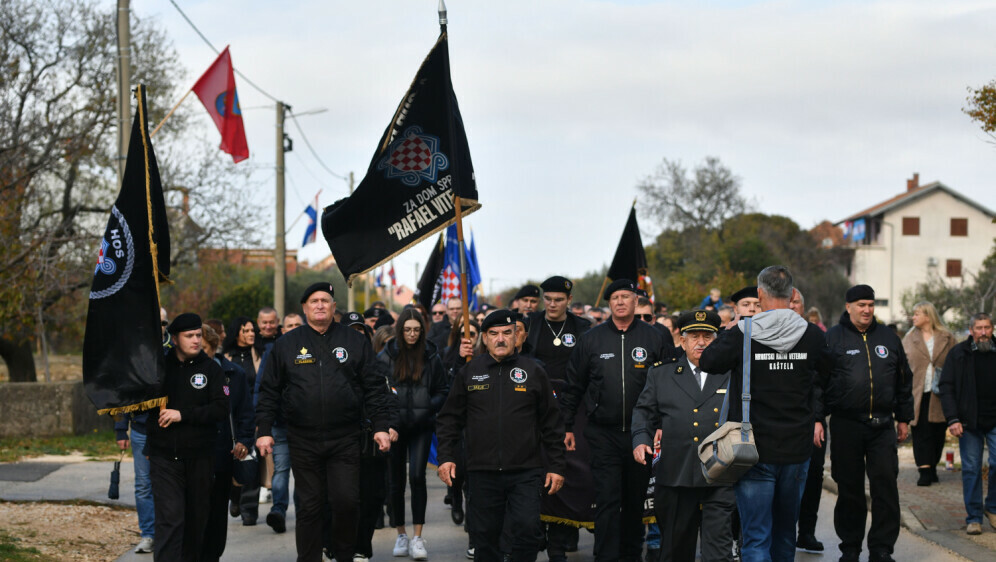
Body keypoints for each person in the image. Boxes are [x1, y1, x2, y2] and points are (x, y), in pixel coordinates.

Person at [698, 266, 830, 562]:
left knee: (757, 536)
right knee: (785, 533)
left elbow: (707, 361)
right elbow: (832, 379)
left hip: (752, 448)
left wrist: (730, 331)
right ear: (792, 294)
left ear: (760, 294)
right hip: (797, 448)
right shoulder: (812, 336)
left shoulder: (742, 334)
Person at [256, 282, 393, 562]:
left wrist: (380, 426)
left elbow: (375, 388)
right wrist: (264, 430)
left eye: (325, 300)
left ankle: (343, 556)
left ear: (334, 307)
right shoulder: (286, 345)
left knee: (345, 502)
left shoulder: (355, 342)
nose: (320, 305)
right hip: (303, 438)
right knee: (309, 506)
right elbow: (268, 391)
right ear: (305, 308)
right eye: (314, 301)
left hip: (345, 438)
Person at [561, 279, 677, 562]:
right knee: (608, 500)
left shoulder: (655, 337)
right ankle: (606, 556)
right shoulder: (591, 338)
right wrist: (565, 426)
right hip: (603, 433)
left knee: (636, 501)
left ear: (636, 301)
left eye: (626, 296)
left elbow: (671, 383)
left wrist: (663, 424)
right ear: (608, 303)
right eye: (615, 298)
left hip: (643, 435)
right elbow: (573, 385)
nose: (620, 302)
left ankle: (630, 555)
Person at [436, 310, 566, 561]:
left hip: (525, 470)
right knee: (484, 536)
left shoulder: (533, 371)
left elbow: (552, 423)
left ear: (517, 335)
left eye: (507, 333)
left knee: (528, 530)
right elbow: (449, 418)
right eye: (494, 334)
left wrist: (557, 466)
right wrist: (446, 457)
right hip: (482, 471)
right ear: (484, 338)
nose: (501, 339)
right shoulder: (469, 372)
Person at [632, 310, 735, 562]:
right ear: (682, 340)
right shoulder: (661, 374)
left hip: (720, 471)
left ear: (717, 339)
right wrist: (641, 440)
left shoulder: (732, 372)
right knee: (676, 547)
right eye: (694, 336)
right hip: (677, 470)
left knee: (718, 547)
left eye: (708, 337)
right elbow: (644, 411)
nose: (701, 342)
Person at [824, 284, 914, 562]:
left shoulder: (888, 337)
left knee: (885, 486)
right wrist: (817, 418)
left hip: (883, 426)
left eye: (870, 305)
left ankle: (881, 548)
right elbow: (819, 382)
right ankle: (850, 548)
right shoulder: (833, 338)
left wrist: (904, 418)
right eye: (861, 305)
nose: (866, 310)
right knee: (849, 488)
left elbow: (903, 379)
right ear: (848, 306)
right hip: (846, 424)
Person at [146, 313, 227, 561]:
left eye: (198, 335)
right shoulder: (158, 366)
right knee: (170, 519)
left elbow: (221, 408)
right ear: (174, 338)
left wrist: (184, 415)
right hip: (164, 457)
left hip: (200, 457)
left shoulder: (211, 369)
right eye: (189, 336)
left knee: (195, 520)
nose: (195, 340)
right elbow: (139, 401)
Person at [524, 276, 593, 562]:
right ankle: (537, 529)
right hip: (536, 404)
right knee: (538, 465)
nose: (552, 304)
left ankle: (564, 536)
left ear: (568, 300)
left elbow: (588, 368)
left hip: (572, 404)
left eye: (558, 300)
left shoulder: (583, 327)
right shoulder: (529, 324)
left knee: (569, 466)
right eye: (548, 299)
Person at [379, 309, 449, 560]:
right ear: (400, 329)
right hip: (395, 428)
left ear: (422, 330)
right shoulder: (386, 356)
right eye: (407, 329)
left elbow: (443, 389)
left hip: (422, 425)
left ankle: (418, 536)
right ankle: (401, 533)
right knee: (395, 482)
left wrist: (429, 405)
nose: (411, 334)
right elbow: (377, 391)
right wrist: (386, 422)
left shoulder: (431, 355)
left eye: (416, 330)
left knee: (417, 477)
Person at [938, 312, 996, 536]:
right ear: (971, 331)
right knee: (971, 469)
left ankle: (991, 507)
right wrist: (952, 419)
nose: (983, 333)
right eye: (979, 328)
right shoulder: (958, 354)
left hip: (994, 420)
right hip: (968, 421)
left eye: (987, 328)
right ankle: (973, 517)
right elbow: (946, 387)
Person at [200, 324, 254, 562]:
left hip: (222, 453)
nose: (198, 352)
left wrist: (244, 440)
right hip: (192, 454)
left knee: (217, 510)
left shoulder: (234, 374)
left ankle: (212, 555)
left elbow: (245, 411)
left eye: (203, 348)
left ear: (213, 348)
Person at [902, 301, 956, 486]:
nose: (913, 317)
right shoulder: (909, 338)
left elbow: (955, 363)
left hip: (940, 393)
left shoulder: (947, 337)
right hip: (918, 392)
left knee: (937, 432)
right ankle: (924, 469)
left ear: (928, 316)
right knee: (920, 431)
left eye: (917, 314)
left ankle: (932, 466)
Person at [222, 316, 264, 525]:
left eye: (252, 330)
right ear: (236, 332)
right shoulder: (226, 357)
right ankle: (235, 496)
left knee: (251, 461)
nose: (251, 334)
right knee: (232, 458)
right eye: (245, 330)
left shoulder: (259, 354)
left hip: (253, 415)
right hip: (231, 417)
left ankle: (249, 509)